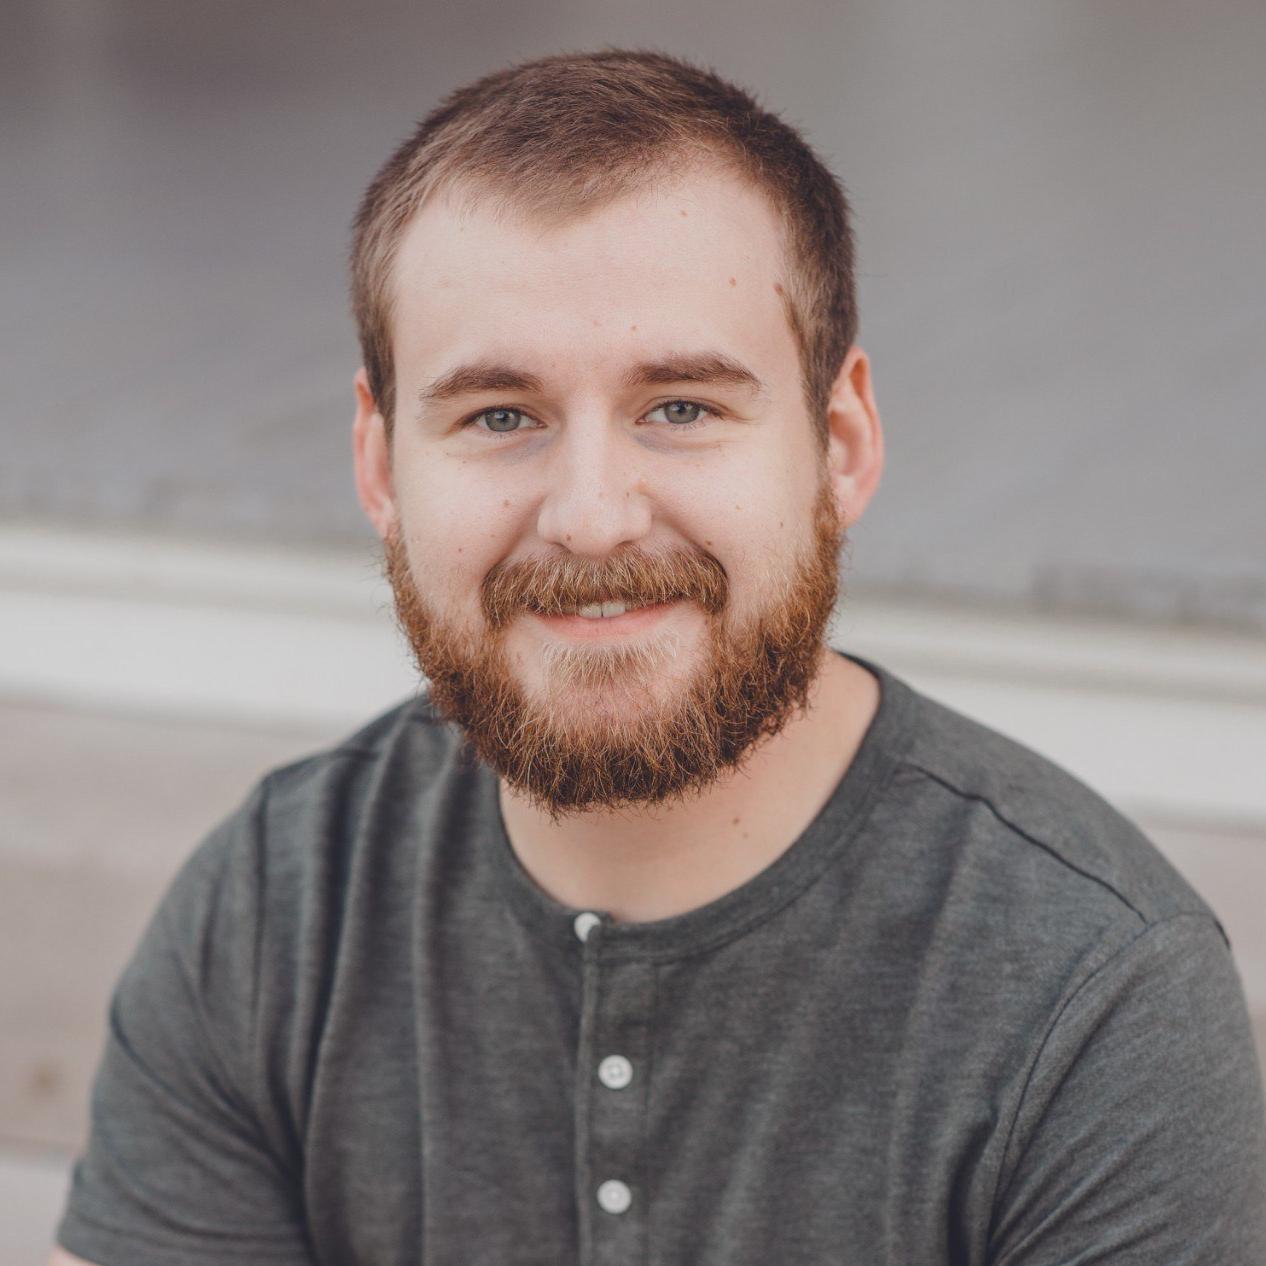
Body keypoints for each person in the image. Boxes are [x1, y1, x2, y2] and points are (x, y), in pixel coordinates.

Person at [52, 48, 1266, 1266]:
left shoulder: (1094, 995)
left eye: (682, 407)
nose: (592, 518)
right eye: (499, 415)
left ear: (840, 446)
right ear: (380, 469)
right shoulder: (275, 912)